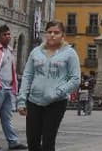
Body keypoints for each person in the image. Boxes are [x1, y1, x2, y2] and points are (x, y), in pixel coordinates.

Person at [17, 20, 81, 151]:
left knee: (48, 142)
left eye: (56, 32)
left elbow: (75, 79)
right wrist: (22, 100)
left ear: (62, 35)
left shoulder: (69, 53)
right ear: (45, 33)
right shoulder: (36, 52)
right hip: (34, 101)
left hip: (56, 103)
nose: (52, 35)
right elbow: (27, 75)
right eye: (49, 32)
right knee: (32, 142)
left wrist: (58, 92)